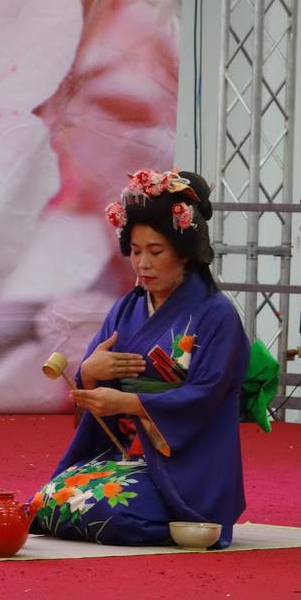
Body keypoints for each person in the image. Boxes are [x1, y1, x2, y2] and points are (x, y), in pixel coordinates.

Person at [30, 168, 249, 549]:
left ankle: (191, 520)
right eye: (135, 251)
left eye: (155, 251)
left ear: (185, 254)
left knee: (114, 512)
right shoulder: (125, 310)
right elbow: (93, 398)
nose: (142, 263)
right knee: (49, 502)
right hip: (125, 456)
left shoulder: (217, 316)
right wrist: (90, 375)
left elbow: (206, 397)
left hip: (187, 467)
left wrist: (131, 402)